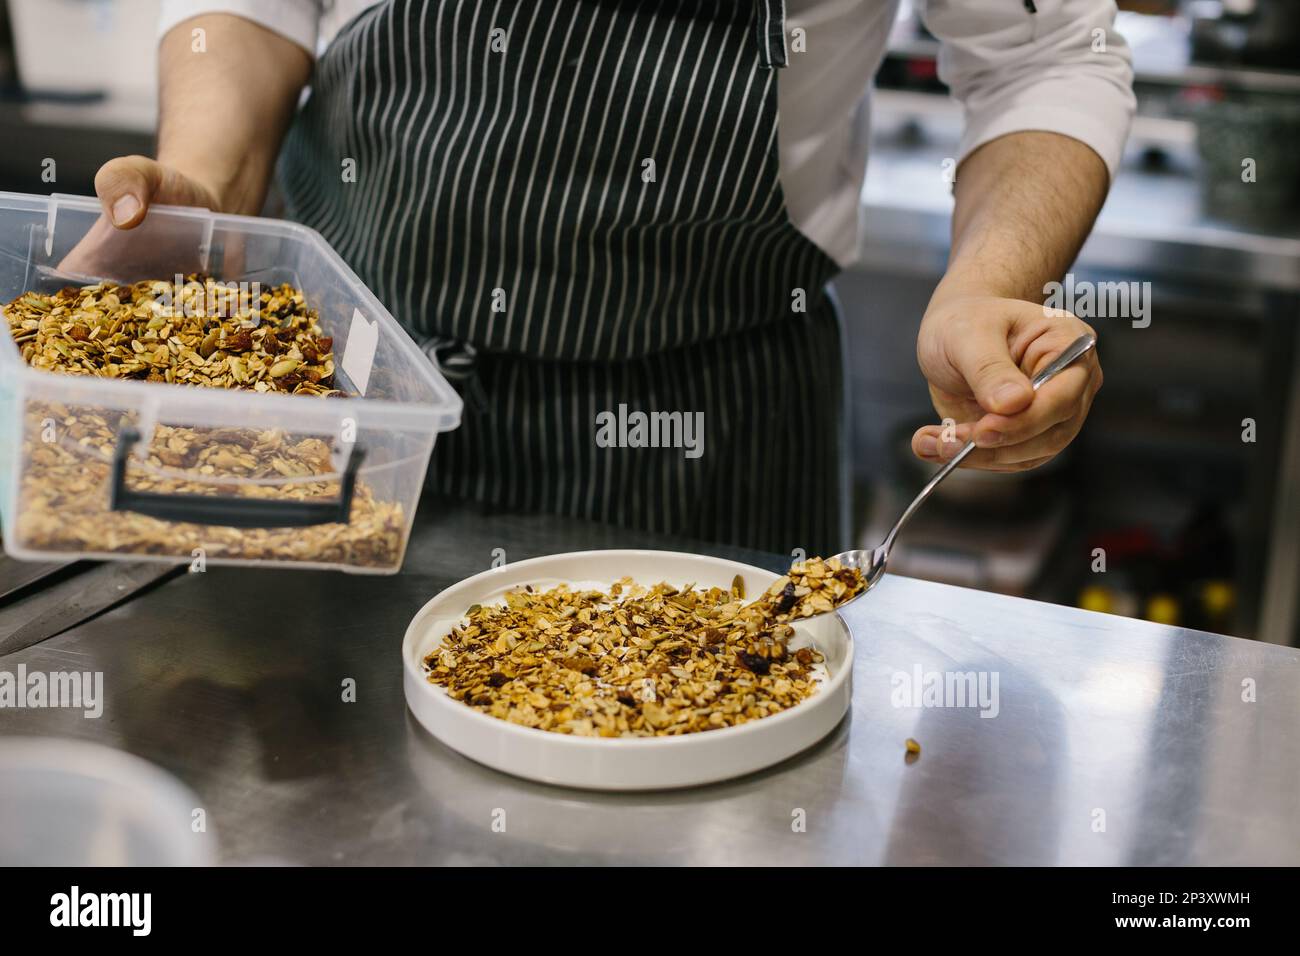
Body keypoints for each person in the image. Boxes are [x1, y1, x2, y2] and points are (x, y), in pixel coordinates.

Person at [93, 0, 1129, 555]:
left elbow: (1043, 55)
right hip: (356, 390)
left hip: (703, 431)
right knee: (313, 771)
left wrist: (990, 279)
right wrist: (210, 186)